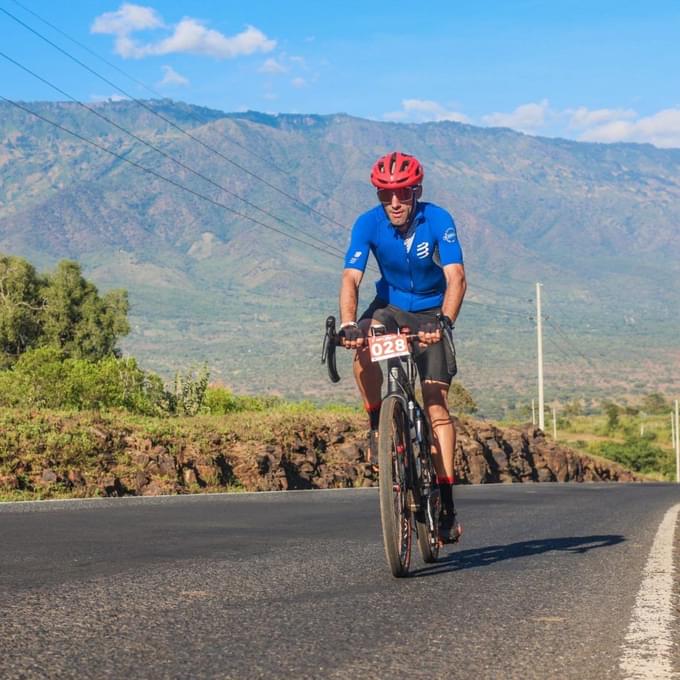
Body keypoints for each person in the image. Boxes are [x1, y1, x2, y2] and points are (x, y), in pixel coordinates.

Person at [338, 151, 467, 544]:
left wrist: (444, 322)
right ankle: (379, 422)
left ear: (416, 192)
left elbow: (457, 277)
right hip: (390, 308)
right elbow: (350, 279)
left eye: (403, 194)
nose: (394, 203)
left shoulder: (439, 219)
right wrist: (347, 323)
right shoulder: (368, 224)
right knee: (365, 339)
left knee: (434, 404)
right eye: (385, 195)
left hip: (431, 310)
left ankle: (445, 504)